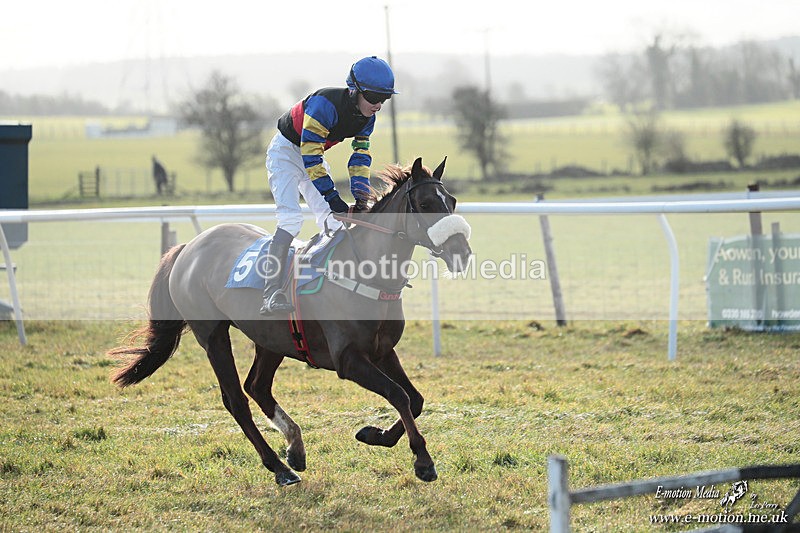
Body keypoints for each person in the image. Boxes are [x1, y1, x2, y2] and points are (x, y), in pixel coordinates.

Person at [260, 56, 397, 315]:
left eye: (385, 99)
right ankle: (271, 293)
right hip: (286, 153)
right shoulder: (324, 104)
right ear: (355, 89)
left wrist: (361, 195)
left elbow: (360, 157)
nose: (378, 105)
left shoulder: (367, 117)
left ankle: (337, 288)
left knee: (336, 223)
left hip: (312, 157)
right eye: (374, 97)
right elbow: (310, 156)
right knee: (291, 222)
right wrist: (333, 197)